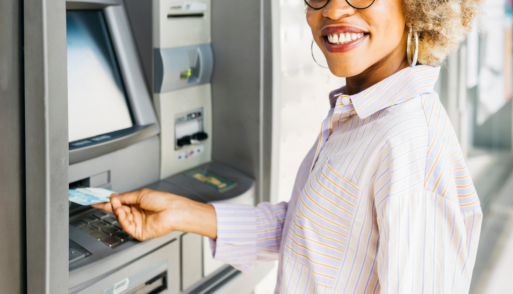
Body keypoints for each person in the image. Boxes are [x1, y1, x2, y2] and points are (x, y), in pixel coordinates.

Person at [93, 0, 484, 292]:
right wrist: (183, 213)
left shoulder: (410, 143)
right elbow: (318, 234)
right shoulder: (359, 114)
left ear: (418, 7)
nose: (333, 10)